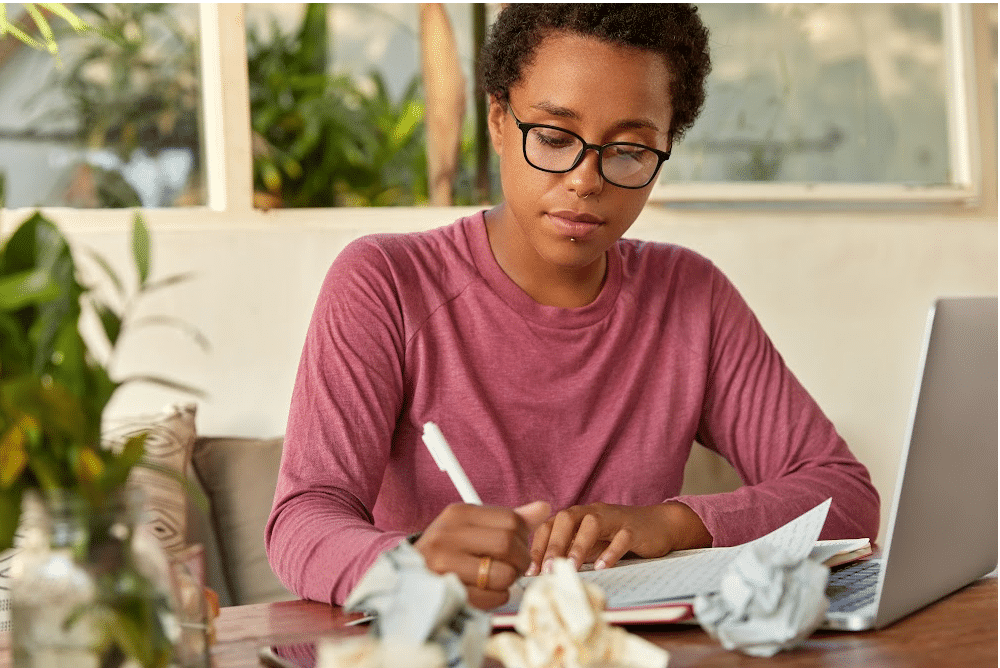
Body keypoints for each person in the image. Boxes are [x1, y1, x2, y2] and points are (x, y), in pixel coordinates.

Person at [266, 3, 880, 611]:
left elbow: (843, 495)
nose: (587, 179)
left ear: (665, 148)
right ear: (499, 120)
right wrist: (408, 562)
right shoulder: (386, 284)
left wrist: (670, 524)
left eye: (629, 151)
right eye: (555, 138)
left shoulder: (690, 295)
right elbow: (301, 521)